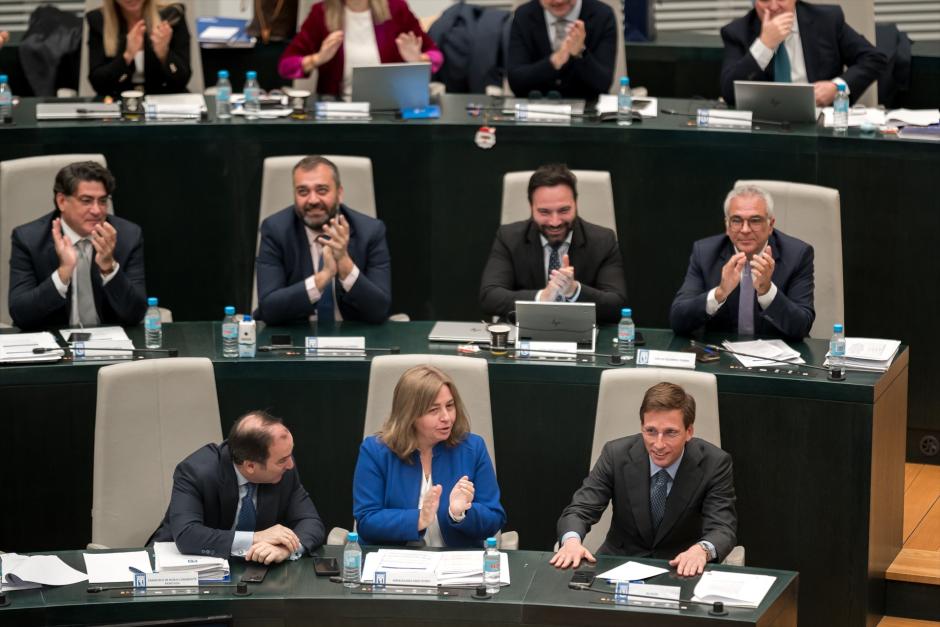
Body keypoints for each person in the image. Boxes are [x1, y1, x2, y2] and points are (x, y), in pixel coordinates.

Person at [551, 382, 737, 576]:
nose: (658, 444)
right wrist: (571, 542)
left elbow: (722, 527)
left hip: (681, 567)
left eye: (670, 433)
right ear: (642, 428)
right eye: (651, 431)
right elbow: (580, 510)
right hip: (618, 564)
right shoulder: (616, 454)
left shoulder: (715, 463)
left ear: (689, 432)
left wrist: (702, 551)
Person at [353, 365, 506, 547]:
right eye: (434, 410)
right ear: (409, 415)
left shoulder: (472, 448)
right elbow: (367, 521)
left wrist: (459, 514)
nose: (446, 417)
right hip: (397, 565)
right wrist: (419, 519)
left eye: (449, 406)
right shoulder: (375, 451)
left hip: (456, 565)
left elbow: (495, 518)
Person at [149, 411, 326, 563]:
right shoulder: (195, 472)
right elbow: (188, 535)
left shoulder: (284, 472)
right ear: (250, 466)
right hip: (177, 572)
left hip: (249, 574)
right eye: (281, 460)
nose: (290, 465)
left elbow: (311, 523)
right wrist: (256, 538)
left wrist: (286, 550)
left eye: (290, 454)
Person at [479, 164, 626, 324]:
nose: (555, 222)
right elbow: (489, 297)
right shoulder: (508, 237)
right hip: (525, 335)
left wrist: (574, 291)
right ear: (531, 207)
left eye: (564, 210)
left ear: (576, 204)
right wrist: (542, 297)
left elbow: (616, 304)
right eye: (544, 212)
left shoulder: (603, 240)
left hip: (582, 335)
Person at [8, 161, 147, 331]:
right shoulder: (29, 240)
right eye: (86, 201)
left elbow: (135, 314)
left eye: (102, 201)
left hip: (113, 345)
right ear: (61, 201)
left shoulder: (127, 236)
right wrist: (63, 273)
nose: (97, 210)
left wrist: (108, 268)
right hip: (53, 344)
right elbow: (21, 314)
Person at [255, 156, 392, 325]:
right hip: (296, 340)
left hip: (356, 339)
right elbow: (269, 309)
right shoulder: (275, 231)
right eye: (303, 191)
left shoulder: (370, 231)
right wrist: (324, 277)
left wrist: (344, 263)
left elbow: (379, 310)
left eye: (322, 190)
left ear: (339, 193)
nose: (313, 200)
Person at [669, 185, 815, 340]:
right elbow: (678, 320)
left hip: (778, 359)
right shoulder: (705, 253)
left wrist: (767, 291)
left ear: (771, 225)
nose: (745, 230)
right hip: (721, 358)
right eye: (737, 220)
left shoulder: (797, 255)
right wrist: (720, 293)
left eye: (755, 220)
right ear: (727, 225)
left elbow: (802, 326)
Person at [720, 0, 887, 106]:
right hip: (765, 130)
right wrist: (764, 44)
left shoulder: (827, 20)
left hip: (819, 125)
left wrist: (837, 87)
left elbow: (874, 59)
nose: (773, 6)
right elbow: (729, 93)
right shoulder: (737, 32)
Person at [278, 0, 443, 100]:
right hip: (339, 108)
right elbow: (286, 66)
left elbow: (436, 57)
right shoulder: (321, 13)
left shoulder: (396, 9)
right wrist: (318, 58)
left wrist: (417, 59)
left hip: (392, 108)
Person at [507, 0, 616, 100]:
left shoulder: (602, 15)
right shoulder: (524, 15)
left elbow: (603, 84)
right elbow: (516, 81)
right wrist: (554, 62)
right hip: (535, 110)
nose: (558, 1)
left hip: (587, 111)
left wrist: (580, 52)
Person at [86, 0, 192, 99]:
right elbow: (98, 84)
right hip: (118, 100)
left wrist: (164, 54)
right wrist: (127, 56)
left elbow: (182, 80)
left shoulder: (172, 15)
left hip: (165, 100)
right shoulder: (98, 19)